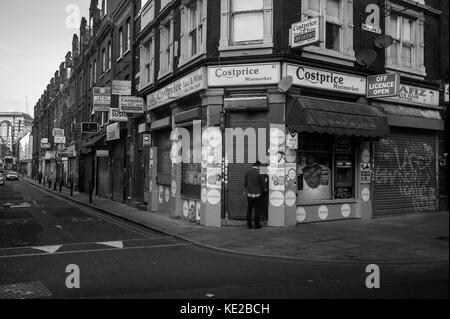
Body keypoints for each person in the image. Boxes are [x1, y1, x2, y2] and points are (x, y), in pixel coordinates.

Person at [244, 161, 265, 229]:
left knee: (249, 210)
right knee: (257, 210)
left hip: (249, 194)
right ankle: (256, 225)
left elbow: (245, 183)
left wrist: (245, 190)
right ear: (258, 166)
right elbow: (262, 184)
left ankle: (249, 225)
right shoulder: (260, 173)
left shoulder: (247, 172)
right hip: (257, 195)